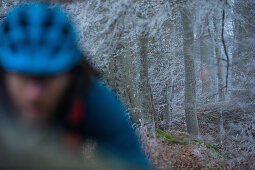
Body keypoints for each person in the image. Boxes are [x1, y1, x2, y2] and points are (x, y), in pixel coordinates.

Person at [0, 2, 150, 169]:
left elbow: (134, 163)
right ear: (5, 72)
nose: (34, 95)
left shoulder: (88, 95)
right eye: (23, 76)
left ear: (70, 73)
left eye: (48, 78)